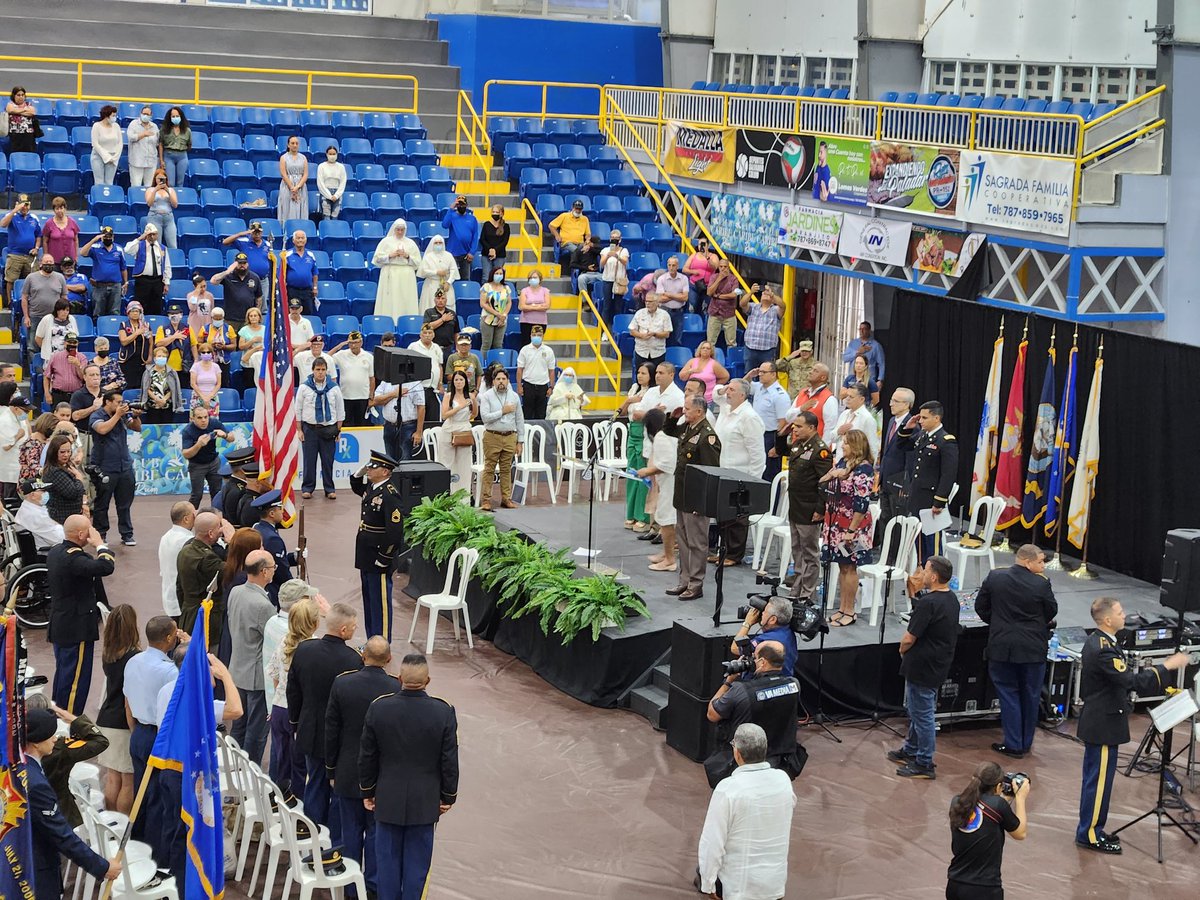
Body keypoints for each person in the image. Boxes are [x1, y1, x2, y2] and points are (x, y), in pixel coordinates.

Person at [1075, 596, 1190, 853]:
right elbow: (1130, 681)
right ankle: (1089, 835)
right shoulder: (1103, 648)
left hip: (1104, 721)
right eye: (1119, 611)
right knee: (1098, 783)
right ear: (1107, 619)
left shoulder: (1104, 642)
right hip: (1103, 724)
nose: (1124, 615)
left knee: (1098, 781)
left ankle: (1092, 828)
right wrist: (1167, 666)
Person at [359, 652, 459, 900]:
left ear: (400, 678)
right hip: (425, 802)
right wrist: (448, 796)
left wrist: (368, 791)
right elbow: (449, 760)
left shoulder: (379, 708)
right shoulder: (443, 712)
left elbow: (367, 756)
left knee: (387, 865)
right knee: (417, 868)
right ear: (428, 680)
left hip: (387, 798)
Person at [24, 708, 122, 898]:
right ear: (36, 742)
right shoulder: (36, 784)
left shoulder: (18, 765)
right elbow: (62, 836)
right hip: (37, 866)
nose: (54, 739)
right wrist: (103, 867)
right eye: (50, 735)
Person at [326, 635, 396, 897]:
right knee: (377, 833)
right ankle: (374, 886)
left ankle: (350, 887)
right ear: (389, 660)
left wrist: (331, 770)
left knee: (350, 831)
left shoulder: (343, 684)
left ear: (363, 656)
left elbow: (331, 730)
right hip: (382, 776)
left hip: (346, 770)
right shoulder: (395, 689)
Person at [974, 544, 1058, 759]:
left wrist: (997, 623)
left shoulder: (996, 577)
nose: (1043, 565)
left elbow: (980, 606)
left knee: (1008, 694)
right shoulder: (1041, 585)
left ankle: (1013, 744)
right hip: (1032, 649)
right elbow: (1051, 611)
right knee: (1030, 695)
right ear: (1027, 561)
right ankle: (1025, 743)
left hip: (1002, 647)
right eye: (1040, 561)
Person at [289, 602, 363, 841]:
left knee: (315, 782)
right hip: (340, 738)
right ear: (343, 630)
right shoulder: (353, 661)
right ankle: (332, 841)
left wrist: (295, 724)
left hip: (309, 729)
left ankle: (310, 836)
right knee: (338, 789)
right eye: (353, 626)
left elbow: (293, 691)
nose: (355, 629)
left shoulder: (304, 650)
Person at [696, 722, 795, 900]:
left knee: (703, 873)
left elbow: (712, 843)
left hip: (739, 890)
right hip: (775, 886)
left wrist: (708, 884)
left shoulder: (728, 789)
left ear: (737, 753)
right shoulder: (783, 781)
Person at [890, 555, 961, 779]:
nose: (920, 575)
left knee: (923, 714)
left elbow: (909, 638)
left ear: (934, 576)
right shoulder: (951, 600)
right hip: (938, 662)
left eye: (925, 570)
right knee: (917, 709)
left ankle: (924, 761)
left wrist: (902, 651)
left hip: (923, 665)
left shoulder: (929, 603)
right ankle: (911, 749)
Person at [705, 642, 804, 783]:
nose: (751, 661)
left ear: (762, 662)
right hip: (779, 762)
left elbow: (712, 714)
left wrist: (728, 682)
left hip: (745, 762)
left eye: (755, 657)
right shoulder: (794, 685)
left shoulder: (740, 690)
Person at [47, 515, 115, 715]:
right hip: (76, 627)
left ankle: (59, 715)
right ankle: (69, 722)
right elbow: (106, 566)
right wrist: (100, 545)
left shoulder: (56, 552)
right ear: (81, 534)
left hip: (61, 623)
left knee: (63, 675)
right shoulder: (75, 558)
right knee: (75, 680)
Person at [664, 395, 722, 601]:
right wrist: (673, 417)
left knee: (697, 543)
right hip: (682, 494)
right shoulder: (689, 428)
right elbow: (669, 431)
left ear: (699, 412)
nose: (685, 411)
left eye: (688, 409)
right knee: (684, 540)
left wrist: (703, 502)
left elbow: (711, 472)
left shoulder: (707, 436)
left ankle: (696, 584)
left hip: (696, 499)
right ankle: (684, 580)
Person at [946, 762, 1029, 900]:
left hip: (955, 884)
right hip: (984, 889)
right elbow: (1020, 833)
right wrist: (1020, 798)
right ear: (997, 786)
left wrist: (1003, 799)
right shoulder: (998, 805)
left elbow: (986, 812)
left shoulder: (957, 802)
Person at [820, 427, 875, 627]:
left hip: (853, 524)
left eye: (846, 443)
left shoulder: (864, 469)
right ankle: (841, 608)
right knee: (842, 566)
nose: (843, 446)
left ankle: (850, 611)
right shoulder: (843, 463)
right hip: (836, 522)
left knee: (850, 567)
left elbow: (862, 502)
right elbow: (824, 481)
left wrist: (851, 530)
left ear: (856, 446)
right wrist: (834, 474)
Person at [227, 548, 276, 764]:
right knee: (256, 732)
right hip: (256, 677)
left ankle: (233, 765)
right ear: (264, 572)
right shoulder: (263, 605)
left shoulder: (236, 592)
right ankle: (249, 772)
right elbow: (273, 638)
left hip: (237, 669)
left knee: (239, 725)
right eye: (273, 567)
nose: (274, 571)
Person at [350, 450, 404, 639]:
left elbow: (395, 531)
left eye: (374, 467)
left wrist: (385, 557)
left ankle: (382, 644)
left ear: (386, 472)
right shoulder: (372, 488)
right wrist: (361, 471)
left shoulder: (390, 495)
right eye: (370, 466)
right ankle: (371, 640)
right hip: (366, 554)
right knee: (369, 600)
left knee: (380, 603)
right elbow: (356, 484)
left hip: (379, 556)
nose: (370, 470)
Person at [712, 380, 766, 568]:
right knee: (723, 514)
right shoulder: (727, 409)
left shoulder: (749, 417)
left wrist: (753, 480)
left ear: (742, 395)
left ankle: (734, 554)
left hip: (741, 473)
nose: (727, 392)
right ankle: (723, 549)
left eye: (732, 390)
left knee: (737, 517)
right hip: (723, 470)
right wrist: (724, 388)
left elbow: (757, 453)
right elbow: (714, 394)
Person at [899, 400, 959, 561]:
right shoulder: (923, 436)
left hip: (931, 501)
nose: (921, 421)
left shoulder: (946, 441)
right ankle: (922, 580)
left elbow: (948, 475)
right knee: (919, 545)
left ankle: (934, 582)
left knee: (932, 547)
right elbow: (902, 446)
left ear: (937, 418)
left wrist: (939, 501)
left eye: (925, 418)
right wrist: (908, 428)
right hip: (918, 498)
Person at [784, 411, 832, 602]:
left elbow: (824, 483)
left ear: (812, 428)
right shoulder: (799, 445)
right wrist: (783, 433)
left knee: (809, 552)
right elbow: (782, 449)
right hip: (795, 506)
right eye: (794, 426)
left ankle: (808, 593)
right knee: (797, 549)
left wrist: (820, 509)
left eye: (799, 426)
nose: (795, 429)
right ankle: (797, 586)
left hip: (809, 507)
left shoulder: (820, 450)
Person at [95, 603, 139, 813]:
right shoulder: (134, 657)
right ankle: (124, 826)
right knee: (128, 781)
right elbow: (129, 700)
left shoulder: (108, 654)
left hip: (106, 719)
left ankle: (111, 823)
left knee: (112, 778)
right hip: (123, 723)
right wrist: (134, 729)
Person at [89, 390, 141, 545]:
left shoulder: (122, 414)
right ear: (107, 402)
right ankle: (101, 533)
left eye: (122, 402)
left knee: (125, 503)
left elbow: (136, 428)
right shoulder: (97, 416)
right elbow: (102, 429)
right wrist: (118, 415)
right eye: (118, 402)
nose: (121, 405)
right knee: (102, 503)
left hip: (124, 465)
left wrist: (136, 416)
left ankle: (127, 534)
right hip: (105, 465)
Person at [478, 367, 525, 511]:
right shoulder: (487, 396)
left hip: (510, 436)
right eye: (498, 379)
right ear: (493, 381)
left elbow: (519, 419)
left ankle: (506, 498)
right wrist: (502, 412)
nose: (501, 382)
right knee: (489, 469)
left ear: (508, 381)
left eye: (503, 379)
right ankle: (486, 500)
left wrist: (520, 441)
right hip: (492, 436)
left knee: (506, 469)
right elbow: (485, 418)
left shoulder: (514, 396)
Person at [176, 510, 226, 642]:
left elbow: (179, 587)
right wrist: (232, 543)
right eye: (218, 528)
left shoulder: (185, 551)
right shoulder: (207, 557)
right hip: (206, 618)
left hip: (188, 613)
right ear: (210, 533)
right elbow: (230, 571)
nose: (221, 531)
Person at [298, 358, 344, 499]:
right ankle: (307, 488)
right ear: (312, 370)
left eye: (323, 369)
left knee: (328, 461)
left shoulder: (334, 388)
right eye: (317, 369)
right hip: (310, 429)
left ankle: (329, 489)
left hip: (328, 429)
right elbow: (297, 409)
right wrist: (299, 430)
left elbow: (340, 410)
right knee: (309, 461)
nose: (320, 372)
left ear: (327, 371)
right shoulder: (304, 387)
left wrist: (338, 430)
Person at [638, 408, 677, 570]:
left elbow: (667, 464)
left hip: (670, 482)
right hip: (667, 482)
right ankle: (666, 554)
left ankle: (669, 560)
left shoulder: (662, 437)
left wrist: (646, 471)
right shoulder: (667, 435)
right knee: (664, 518)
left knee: (666, 519)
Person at [621, 362, 655, 533]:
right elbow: (623, 412)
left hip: (643, 435)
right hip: (631, 434)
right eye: (639, 372)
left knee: (643, 476)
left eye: (644, 373)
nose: (640, 376)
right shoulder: (634, 388)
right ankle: (631, 514)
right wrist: (629, 400)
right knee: (631, 475)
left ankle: (642, 516)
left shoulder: (653, 393)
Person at [878, 387, 916, 535]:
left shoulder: (912, 425)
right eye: (891, 400)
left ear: (907, 404)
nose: (891, 404)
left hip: (899, 481)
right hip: (885, 478)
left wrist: (905, 485)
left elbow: (910, 457)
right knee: (884, 518)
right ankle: (884, 553)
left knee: (897, 522)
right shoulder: (892, 421)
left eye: (895, 401)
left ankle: (895, 556)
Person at [746, 361, 791, 483]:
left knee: (769, 474)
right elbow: (742, 386)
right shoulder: (759, 387)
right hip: (756, 433)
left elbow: (784, 422)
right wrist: (750, 375)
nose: (760, 374)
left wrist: (777, 446)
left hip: (770, 436)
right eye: (759, 371)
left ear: (773, 374)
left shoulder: (780, 395)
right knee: (756, 470)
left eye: (763, 372)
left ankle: (770, 501)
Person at [785, 362, 840, 452]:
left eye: (815, 371)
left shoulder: (829, 399)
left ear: (823, 378)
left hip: (815, 451)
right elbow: (788, 418)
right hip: (797, 448)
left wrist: (820, 450)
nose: (810, 372)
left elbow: (829, 430)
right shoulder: (802, 393)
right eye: (811, 369)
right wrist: (801, 409)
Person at [373, 219, 422, 317]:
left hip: (406, 274)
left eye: (402, 230)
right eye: (398, 229)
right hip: (390, 272)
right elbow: (377, 259)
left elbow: (418, 262)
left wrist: (407, 256)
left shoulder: (411, 243)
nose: (400, 232)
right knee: (390, 300)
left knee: (405, 300)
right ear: (394, 229)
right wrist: (390, 255)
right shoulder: (386, 242)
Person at [180, 406, 228, 507]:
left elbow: (232, 438)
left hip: (214, 462)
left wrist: (225, 435)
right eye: (200, 418)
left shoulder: (214, 423)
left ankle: (217, 517)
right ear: (193, 419)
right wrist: (198, 445)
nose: (203, 420)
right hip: (197, 465)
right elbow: (186, 454)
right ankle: (189, 517)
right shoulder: (188, 431)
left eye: (206, 417)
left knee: (217, 493)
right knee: (197, 495)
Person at [439, 370, 477, 491]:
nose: (459, 382)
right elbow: (444, 415)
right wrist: (460, 407)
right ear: (453, 382)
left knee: (464, 465)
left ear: (465, 381)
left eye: (461, 379)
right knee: (447, 464)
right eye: (456, 380)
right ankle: (446, 494)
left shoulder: (470, 396)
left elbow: (474, 413)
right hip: (449, 429)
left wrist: (473, 402)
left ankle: (463, 497)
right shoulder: (448, 396)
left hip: (464, 430)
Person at [210, 251, 264, 335]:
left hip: (247, 320)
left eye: (244, 263)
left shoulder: (254, 277)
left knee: (246, 345)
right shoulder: (228, 276)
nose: (242, 265)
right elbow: (213, 281)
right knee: (231, 345)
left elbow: (259, 298)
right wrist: (227, 271)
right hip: (231, 319)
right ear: (235, 264)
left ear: (247, 264)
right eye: (239, 263)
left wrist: (256, 313)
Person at [158, 500, 195, 620]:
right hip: (181, 600)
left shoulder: (166, 536)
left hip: (169, 597)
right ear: (186, 519)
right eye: (193, 514)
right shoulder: (187, 540)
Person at [81, 225, 128, 318]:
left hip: (115, 285)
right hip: (99, 286)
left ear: (113, 237)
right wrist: (94, 239)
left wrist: (125, 282)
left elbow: (123, 267)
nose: (108, 238)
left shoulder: (119, 249)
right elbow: (82, 253)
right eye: (105, 236)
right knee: (98, 312)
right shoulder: (95, 247)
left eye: (109, 236)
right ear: (101, 237)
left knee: (115, 312)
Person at [124, 223, 171, 315]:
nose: (152, 237)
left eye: (154, 234)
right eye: (150, 234)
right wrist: (139, 238)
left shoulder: (162, 248)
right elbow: (127, 249)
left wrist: (166, 282)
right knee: (142, 306)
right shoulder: (139, 246)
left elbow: (166, 265)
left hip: (158, 280)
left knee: (156, 306)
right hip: (143, 280)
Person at [41, 433, 86, 523]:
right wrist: (79, 479)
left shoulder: (68, 465)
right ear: (54, 452)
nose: (66, 455)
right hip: (62, 518)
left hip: (73, 515)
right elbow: (72, 493)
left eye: (68, 451)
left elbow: (80, 491)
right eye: (62, 452)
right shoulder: (54, 471)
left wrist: (84, 503)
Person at [740, 283, 783, 373]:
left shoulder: (775, 310)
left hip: (768, 350)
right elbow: (742, 304)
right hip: (750, 348)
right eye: (763, 293)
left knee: (766, 375)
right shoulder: (753, 307)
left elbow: (783, 305)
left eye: (768, 294)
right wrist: (751, 292)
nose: (765, 294)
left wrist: (772, 294)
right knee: (749, 374)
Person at [516, 325, 556, 420]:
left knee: (541, 415)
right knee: (527, 414)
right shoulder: (524, 350)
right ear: (530, 336)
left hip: (543, 387)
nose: (536, 337)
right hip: (528, 386)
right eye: (534, 335)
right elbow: (520, 369)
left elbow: (551, 371)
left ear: (543, 336)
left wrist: (551, 386)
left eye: (539, 335)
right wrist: (519, 386)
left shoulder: (549, 351)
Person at [406, 323, 444, 420]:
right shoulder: (413, 346)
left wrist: (440, 383)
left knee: (433, 416)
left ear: (433, 335)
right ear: (420, 335)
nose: (427, 335)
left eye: (430, 332)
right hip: (417, 387)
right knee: (418, 415)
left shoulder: (436, 348)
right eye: (425, 333)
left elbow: (439, 366)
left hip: (432, 388)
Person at [23, 251, 68, 331]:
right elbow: (24, 298)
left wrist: (64, 314)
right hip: (35, 316)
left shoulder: (60, 277)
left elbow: (64, 297)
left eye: (51, 262)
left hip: (54, 316)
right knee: (33, 342)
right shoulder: (31, 277)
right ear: (41, 264)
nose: (49, 264)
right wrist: (26, 317)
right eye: (47, 262)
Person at [630, 291, 672, 374]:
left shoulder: (664, 315)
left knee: (656, 378)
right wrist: (641, 335)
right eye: (646, 301)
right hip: (641, 351)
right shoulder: (639, 313)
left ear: (657, 302)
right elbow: (632, 331)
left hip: (658, 352)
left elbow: (667, 334)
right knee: (640, 376)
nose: (647, 304)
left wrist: (655, 334)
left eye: (650, 301)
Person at [43, 330, 88, 407]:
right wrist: (47, 393)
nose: (72, 344)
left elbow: (83, 378)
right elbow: (47, 376)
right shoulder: (55, 357)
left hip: (76, 394)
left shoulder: (82, 358)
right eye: (69, 342)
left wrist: (77, 365)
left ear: (77, 344)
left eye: (74, 342)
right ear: (64, 343)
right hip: (58, 394)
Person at [15, 476, 62, 548]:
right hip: (46, 554)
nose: (47, 493)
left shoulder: (30, 507)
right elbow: (60, 539)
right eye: (43, 491)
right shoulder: (34, 515)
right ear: (33, 495)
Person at [835, 382, 880, 459]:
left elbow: (873, 447)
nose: (847, 399)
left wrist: (868, 468)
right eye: (847, 396)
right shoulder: (844, 414)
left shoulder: (867, 419)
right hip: (840, 460)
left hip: (856, 464)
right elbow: (833, 437)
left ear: (861, 399)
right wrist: (838, 431)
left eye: (851, 397)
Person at [282, 227, 321, 314]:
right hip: (292, 291)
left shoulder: (311, 255)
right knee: (292, 315)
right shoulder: (287, 255)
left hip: (307, 291)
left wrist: (315, 287)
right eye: (298, 238)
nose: (300, 240)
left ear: (306, 240)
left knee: (308, 314)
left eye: (302, 238)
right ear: (293, 240)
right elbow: (282, 273)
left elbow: (314, 273)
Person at [0, 383, 29, 497]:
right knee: (10, 499)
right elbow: (6, 446)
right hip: (10, 469)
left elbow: (27, 432)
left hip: (21, 468)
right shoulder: (4, 420)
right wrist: (18, 436)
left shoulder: (19, 415)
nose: (27, 413)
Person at [140, 347, 183, 424]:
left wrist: (164, 400)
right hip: (152, 406)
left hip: (167, 405)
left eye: (164, 356)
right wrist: (156, 399)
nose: (161, 358)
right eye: (159, 356)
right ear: (154, 358)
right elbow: (146, 388)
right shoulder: (148, 371)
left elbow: (174, 389)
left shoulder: (172, 372)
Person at [679, 341, 729, 406]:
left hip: (708, 399)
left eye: (708, 348)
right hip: (691, 398)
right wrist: (691, 371)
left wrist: (714, 385)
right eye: (703, 348)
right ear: (700, 350)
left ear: (711, 351)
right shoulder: (692, 361)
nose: (705, 350)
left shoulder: (714, 364)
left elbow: (726, 376)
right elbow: (682, 377)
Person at [442, 195, 480, 280]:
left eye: (463, 204)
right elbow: (444, 225)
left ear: (466, 205)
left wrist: (472, 252)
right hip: (452, 253)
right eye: (459, 204)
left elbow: (475, 236)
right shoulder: (452, 216)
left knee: (465, 278)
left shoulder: (472, 219)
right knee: (450, 278)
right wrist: (451, 209)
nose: (461, 206)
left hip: (466, 254)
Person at [479, 264, 514, 355]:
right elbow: (483, 303)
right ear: (492, 274)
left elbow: (509, 302)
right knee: (486, 344)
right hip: (488, 319)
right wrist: (497, 314)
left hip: (502, 320)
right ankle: (484, 365)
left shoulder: (506, 288)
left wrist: (504, 315)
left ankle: (497, 365)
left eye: (500, 273)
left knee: (498, 345)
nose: (499, 275)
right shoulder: (486, 287)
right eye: (497, 273)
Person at [416, 233, 456, 309]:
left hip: (446, 285)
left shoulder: (449, 255)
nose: (438, 244)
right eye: (436, 243)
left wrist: (448, 282)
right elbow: (424, 271)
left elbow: (453, 270)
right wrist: (436, 272)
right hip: (431, 285)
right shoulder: (428, 257)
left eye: (440, 243)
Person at [598, 228, 630, 326]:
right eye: (612, 238)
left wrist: (617, 256)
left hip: (619, 281)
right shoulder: (605, 250)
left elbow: (625, 262)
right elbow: (601, 264)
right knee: (607, 306)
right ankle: (604, 330)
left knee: (617, 306)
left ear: (620, 240)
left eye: (616, 238)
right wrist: (608, 255)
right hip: (607, 280)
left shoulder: (624, 251)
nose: (614, 240)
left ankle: (616, 328)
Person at [706, 258, 740, 347]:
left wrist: (718, 296)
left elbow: (734, 294)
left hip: (729, 314)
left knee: (732, 343)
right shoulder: (714, 277)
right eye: (721, 266)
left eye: (725, 267)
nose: (723, 269)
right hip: (714, 313)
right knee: (710, 342)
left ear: (728, 267)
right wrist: (719, 279)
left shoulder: (734, 279)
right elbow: (709, 292)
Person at [842, 319, 886, 385]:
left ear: (869, 331)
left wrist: (880, 380)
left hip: (868, 380)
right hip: (853, 379)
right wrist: (857, 352)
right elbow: (845, 358)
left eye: (864, 329)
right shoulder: (853, 343)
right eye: (860, 329)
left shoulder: (876, 346)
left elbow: (881, 364)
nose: (861, 331)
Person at [154, 302, 194, 374]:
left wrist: (196, 360)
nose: (174, 316)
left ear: (181, 315)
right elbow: (158, 344)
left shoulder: (188, 328)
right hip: (167, 366)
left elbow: (193, 345)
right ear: (168, 316)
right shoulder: (162, 328)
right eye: (172, 314)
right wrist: (174, 337)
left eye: (176, 314)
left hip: (185, 365)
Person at [278, 135, 309, 224]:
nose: (295, 145)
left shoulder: (303, 157)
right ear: (288, 145)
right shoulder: (283, 157)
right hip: (287, 186)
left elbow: (305, 174)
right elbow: (283, 174)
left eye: (296, 143)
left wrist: (297, 187)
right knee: (287, 208)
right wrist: (292, 188)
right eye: (292, 143)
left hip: (301, 187)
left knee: (300, 208)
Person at [549, 198, 590, 265]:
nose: (577, 211)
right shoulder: (564, 216)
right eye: (576, 208)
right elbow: (551, 226)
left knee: (588, 250)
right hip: (567, 243)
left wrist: (587, 241)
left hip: (580, 243)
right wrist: (557, 235)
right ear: (572, 208)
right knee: (578, 251)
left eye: (579, 209)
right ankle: (577, 267)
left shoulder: (585, 219)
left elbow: (588, 234)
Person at [144, 167, 178, 249]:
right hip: (155, 217)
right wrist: (155, 190)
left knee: (173, 245)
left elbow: (175, 204)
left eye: (163, 178)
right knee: (156, 245)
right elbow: (149, 203)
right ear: (155, 179)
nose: (160, 180)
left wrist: (167, 191)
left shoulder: (171, 190)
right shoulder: (150, 190)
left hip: (168, 218)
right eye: (159, 178)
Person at [682, 238, 718, 315]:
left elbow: (715, 267)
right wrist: (693, 272)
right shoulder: (693, 255)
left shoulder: (713, 256)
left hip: (707, 287)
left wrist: (707, 257)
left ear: (708, 245)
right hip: (694, 285)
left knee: (705, 309)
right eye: (699, 244)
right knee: (693, 306)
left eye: (703, 244)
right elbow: (684, 269)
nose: (701, 246)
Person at [158, 106, 192, 186]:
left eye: (177, 116)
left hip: (182, 156)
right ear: (169, 118)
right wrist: (161, 160)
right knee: (170, 183)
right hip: (168, 156)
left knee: (180, 182)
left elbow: (189, 144)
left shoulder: (187, 131)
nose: (175, 118)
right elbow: (160, 144)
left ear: (181, 117)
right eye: (173, 116)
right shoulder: (164, 129)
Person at [90, 104, 123, 186]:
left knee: (109, 182)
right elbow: (95, 144)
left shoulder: (116, 126)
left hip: (113, 158)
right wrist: (107, 157)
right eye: (113, 115)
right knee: (99, 182)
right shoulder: (96, 126)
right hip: (98, 157)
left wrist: (114, 158)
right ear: (106, 116)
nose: (115, 117)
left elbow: (120, 143)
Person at [41, 196, 80, 264]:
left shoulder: (72, 222)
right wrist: (46, 257)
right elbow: (45, 242)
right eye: (57, 209)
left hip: (70, 261)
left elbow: (76, 240)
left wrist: (76, 256)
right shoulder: (49, 223)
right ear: (54, 210)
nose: (59, 211)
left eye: (61, 208)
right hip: (54, 261)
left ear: (65, 209)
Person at [236, 305, 266, 390]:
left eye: (255, 315)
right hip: (248, 362)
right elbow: (241, 346)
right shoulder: (244, 330)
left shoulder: (265, 329)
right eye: (251, 316)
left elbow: (270, 345)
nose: (253, 318)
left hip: (261, 361)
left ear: (259, 317)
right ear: (248, 318)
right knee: (250, 387)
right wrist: (252, 341)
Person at [422, 286, 458, 357]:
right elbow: (426, 327)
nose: (440, 300)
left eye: (442, 298)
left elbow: (456, 332)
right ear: (434, 300)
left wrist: (457, 346)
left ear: (446, 300)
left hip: (449, 348)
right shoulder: (429, 312)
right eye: (438, 298)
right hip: (433, 348)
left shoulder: (452, 313)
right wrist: (442, 319)